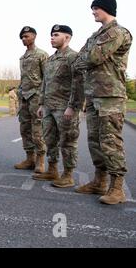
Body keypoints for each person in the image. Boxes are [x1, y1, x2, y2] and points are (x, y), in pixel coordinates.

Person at [73, 0, 132, 205]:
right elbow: (77, 61)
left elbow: (92, 58)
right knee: (94, 141)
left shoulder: (118, 32)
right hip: (93, 95)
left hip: (110, 96)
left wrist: (86, 58)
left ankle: (117, 188)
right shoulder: (95, 36)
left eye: (96, 8)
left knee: (110, 142)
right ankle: (99, 180)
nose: (93, 12)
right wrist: (86, 58)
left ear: (106, 9)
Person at [33, 25, 83, 188]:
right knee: (50, 140)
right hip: (48, 107)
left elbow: (78, 84)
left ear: (67, 37)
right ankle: (52, 169)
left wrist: (73, 106)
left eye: (56, 35)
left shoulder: (73, 57)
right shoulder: (50, 60)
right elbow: (45, 84)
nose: (52, 38)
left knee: (68, 141)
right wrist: (41, 104)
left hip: (65, 108)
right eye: (51, 35)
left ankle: (68, 175)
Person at [14, 26, 48, 174]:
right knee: (25, 128)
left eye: (26, 36)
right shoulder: (23, 57)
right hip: (24, 97)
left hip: (36, 96)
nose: (24, 39)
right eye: (22, 37)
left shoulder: (42, 55)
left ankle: (40, 160)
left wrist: (43, 99)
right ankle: (30, 158)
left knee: (37, 129)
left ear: (34, 36)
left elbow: (47, 78)